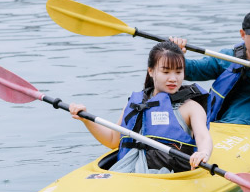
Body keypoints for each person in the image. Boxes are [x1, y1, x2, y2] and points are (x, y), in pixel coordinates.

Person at [68, 41, 213, 174]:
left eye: (178, 72)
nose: (173, 78)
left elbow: (203, 137)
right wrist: (86, 119)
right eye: (166, 72)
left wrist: (203, 153)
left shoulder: (191, 107)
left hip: (170, 178)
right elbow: (113, 140)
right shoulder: (135, 103)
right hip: (127, 172)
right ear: (151, 71)